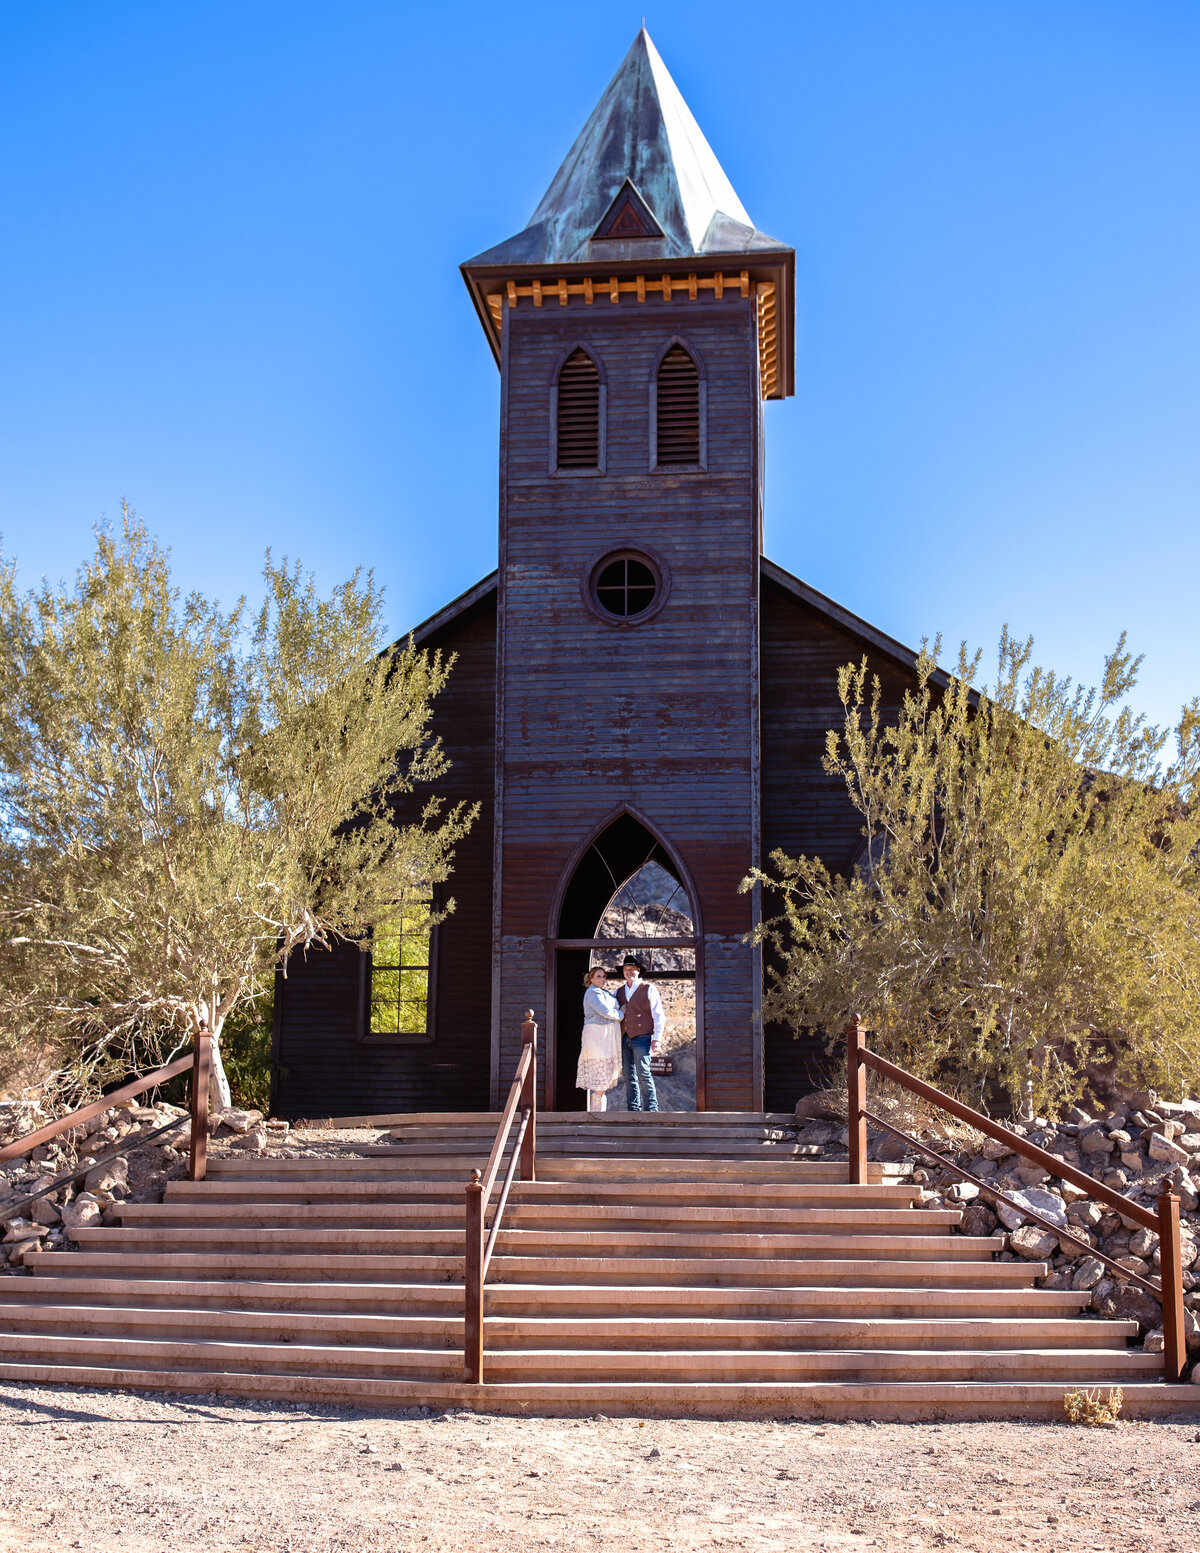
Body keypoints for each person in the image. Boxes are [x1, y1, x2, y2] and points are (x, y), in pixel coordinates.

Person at [616, 955, 664, 1112]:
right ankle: (633, 1109)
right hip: (624, 1038)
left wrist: (657, 1039)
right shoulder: (618, 992)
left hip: (642, 1037)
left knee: (643, 1073)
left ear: (638, 971)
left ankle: (651, 1108)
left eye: (632, 969)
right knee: (628, 1076)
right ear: (623, 972)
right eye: (626, 969)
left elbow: (659, 1015)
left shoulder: (649, 988)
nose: (629, 972)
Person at [576, 965, 623, 1112]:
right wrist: (621, 1014)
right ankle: (596, 1112)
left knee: (606, 1072)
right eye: (598, 976)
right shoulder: (592, 993)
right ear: (591, 978)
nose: (602, 979)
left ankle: (599, 1111)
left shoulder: (605, 993)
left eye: (604, 976)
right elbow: (605, 1011)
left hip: (607, 1036)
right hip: (597, 1035)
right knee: (599, 1072)